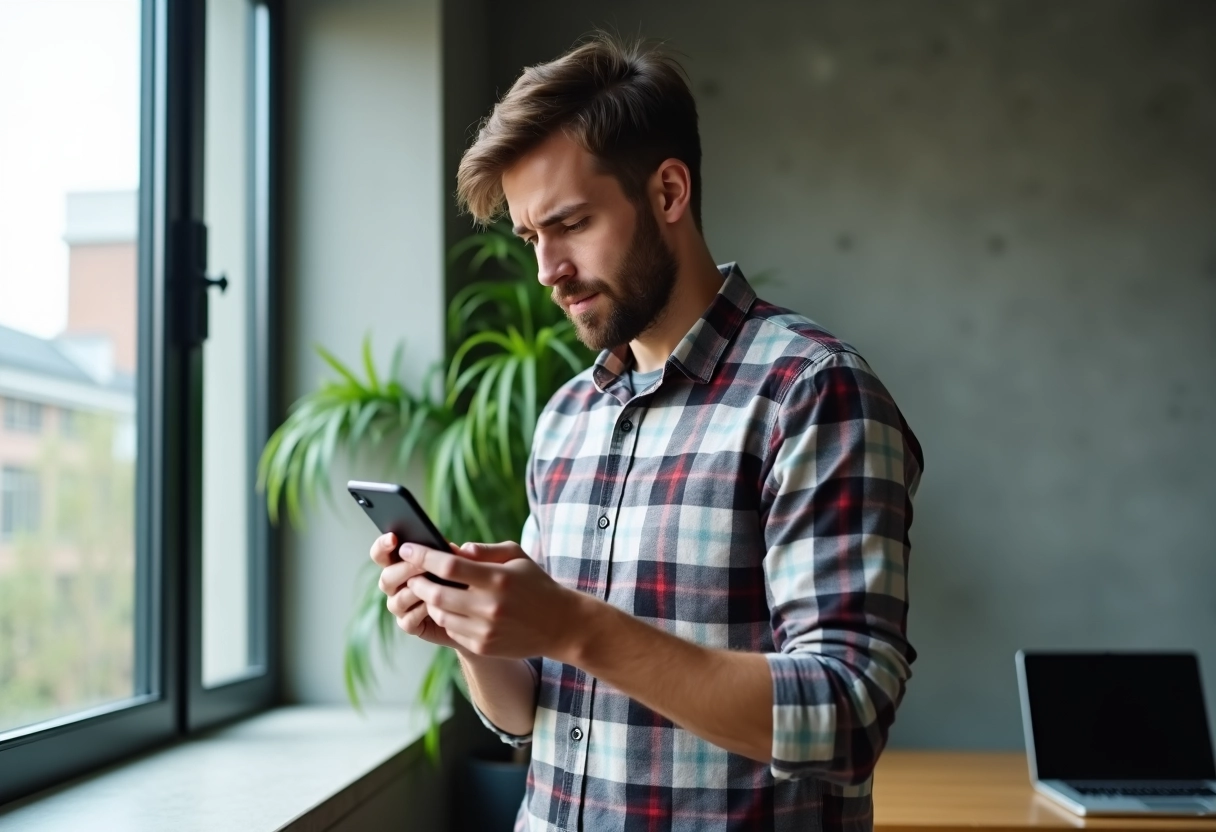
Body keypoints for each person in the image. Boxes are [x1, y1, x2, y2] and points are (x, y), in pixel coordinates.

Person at [370, 32, 923, 832]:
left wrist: (571, 624)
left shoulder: (811, 392)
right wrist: (475, 632)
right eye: (532, 237)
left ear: (668, 193)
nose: (545, 270)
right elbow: (534, 716)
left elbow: (846, 717)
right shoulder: (567, 418)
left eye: (570, 224)